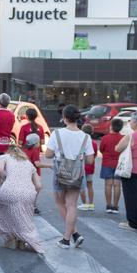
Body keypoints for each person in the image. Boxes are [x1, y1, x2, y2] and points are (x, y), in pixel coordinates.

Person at [42, 105, 94, 248]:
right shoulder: (86, 137)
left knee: (60, 203)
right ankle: (73, 235)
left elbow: (48, 154)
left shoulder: (57, 134)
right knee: (72, 205)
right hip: (77, 174)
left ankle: (67, 238)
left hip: (60, 173)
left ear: (64, 118)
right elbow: (90, 160)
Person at [0, 136, 43, 253]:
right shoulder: (29, 163)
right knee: (24, 215)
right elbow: (39, 185)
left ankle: (11, 237)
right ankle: (22, 240)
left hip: (9, 190)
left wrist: (6, 179)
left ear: (8, 150)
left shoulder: (4, 157)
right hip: (28, 193)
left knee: (1, 208)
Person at [98, 118, 125, 214]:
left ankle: (108, 205)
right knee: (117, 185)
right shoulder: (123, 138)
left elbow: (101, 149)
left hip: (107, 163)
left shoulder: (105, 138)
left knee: (108, 185)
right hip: (119, 163)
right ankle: (115, 206)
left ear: (111, 126)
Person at [79, 123, 97, 211]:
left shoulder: (81, 142)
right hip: (90, 166)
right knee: (90, 185)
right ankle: (91, 203)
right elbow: (94, 155)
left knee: (81, 186)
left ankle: (84, 204)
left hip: (82, 166)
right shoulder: (94, 143)